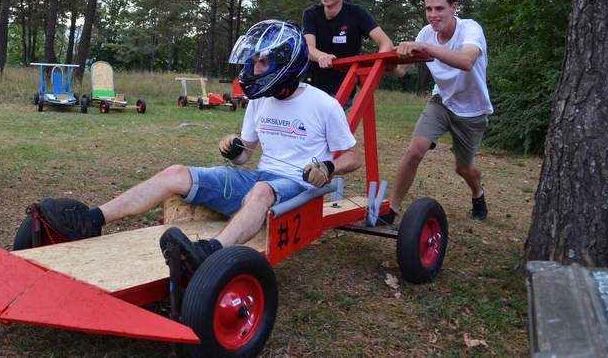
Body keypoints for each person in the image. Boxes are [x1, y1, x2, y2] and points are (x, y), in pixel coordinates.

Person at [19, 20, 362, 273]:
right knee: (176, 173)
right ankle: (92, 219)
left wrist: (328, 168)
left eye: (261, 63)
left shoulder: (323, 104)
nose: (252, 69)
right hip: (262, 177)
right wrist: (234, 149)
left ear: (286, 63)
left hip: (298, 187)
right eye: (253, 61)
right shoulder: (261, 100)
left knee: (259, 191)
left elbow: (352, 156)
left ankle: (209, 253)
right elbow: (246, 157)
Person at [387, 0, 493, 220]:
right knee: (415, 151)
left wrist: (426, 47)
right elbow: (400, 73)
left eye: (439, 9)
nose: (433, 15)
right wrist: (391, 61)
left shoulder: (470, 29)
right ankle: (391, 209)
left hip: (472, 111)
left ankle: (477, 192)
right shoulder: (426, 33)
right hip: (442, 102)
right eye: (428, 9)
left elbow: (466, 62)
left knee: (463, 168)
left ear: (453, 7)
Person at [303, 0, 393, 97]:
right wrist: (322, 56)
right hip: (312, 86)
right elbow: (308, 48)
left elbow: (386, 43)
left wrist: (375, 70)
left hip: (343, 88)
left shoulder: (357, 13)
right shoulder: (311, 14)